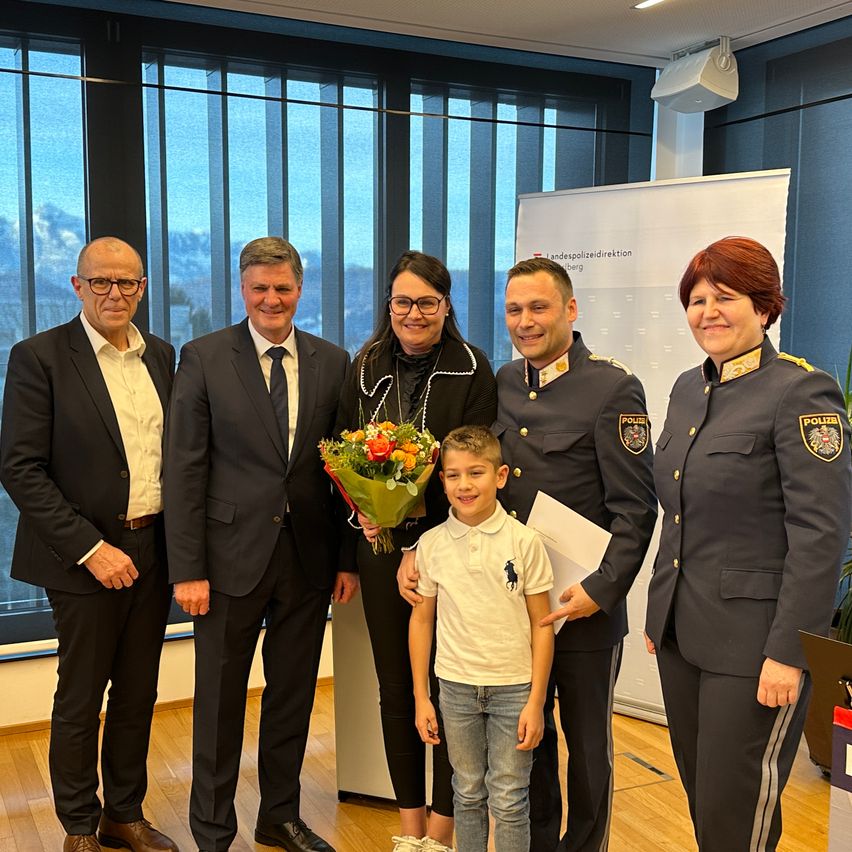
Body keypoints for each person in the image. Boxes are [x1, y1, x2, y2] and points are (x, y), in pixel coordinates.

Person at [398, 257, 658, 849]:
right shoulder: (505, 382)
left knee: (588, 746)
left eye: (538, 307)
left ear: (570, 309)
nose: (525, 321)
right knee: (529, 744)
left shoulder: (613, 388)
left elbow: (636, 511)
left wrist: (600, 590)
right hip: (516, 606)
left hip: (582, 605)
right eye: (514, 309)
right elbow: (478, 480)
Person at [644, 236, 852, 852]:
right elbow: (678, 509)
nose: (707, 310)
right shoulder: (687, 387)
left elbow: (820, 534)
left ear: (764, 309)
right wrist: (663, 608)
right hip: (685, 633)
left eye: (725, 297)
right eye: (696, 298)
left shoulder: (800, 393)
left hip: (757, 646)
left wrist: (789, 652)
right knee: (706, 800)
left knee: (737, 812)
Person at [164, 237, 357, 852]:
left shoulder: (332, 361)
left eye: (283, 287)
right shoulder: (203, 357)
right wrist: (187, 568)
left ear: (300, 289)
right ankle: (213, 830)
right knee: (219, 704)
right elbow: (185, 468)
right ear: (242, 290)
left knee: (293, 698)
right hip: (224, 564)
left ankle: (279, 816)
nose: (272, 299)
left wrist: (347, 561)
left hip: (308, 559)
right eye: (259, 288)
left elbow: (346, 470)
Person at [0, 237, 177, 852]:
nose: (114, 294)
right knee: (82, 693)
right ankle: (78, 825)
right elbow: (20, 467)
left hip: (153, 549)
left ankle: (123, 814)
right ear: (77, 287)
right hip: (84, 560)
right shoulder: (40, 357)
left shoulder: (161, 355)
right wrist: (90, 548)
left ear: (144, 287)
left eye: (127, 283)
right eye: (101, 282)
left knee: (138, 690)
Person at [336, 250, 497, 851]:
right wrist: (364, 515)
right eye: (402, 301)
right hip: (379, 548)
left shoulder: (471, 367)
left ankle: (444, 827)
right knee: (397, 685)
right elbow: (344, 455)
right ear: (389, 305)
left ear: (445, 306)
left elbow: (472, 469)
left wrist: (423, 543)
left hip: (452, 554)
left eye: (426, 302)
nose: (413, 313)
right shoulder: (364, 366)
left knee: (451, 685)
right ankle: (410, 828)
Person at [409, 425, 554, 852]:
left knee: (509, 798)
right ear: (442, 481)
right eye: (453, 475)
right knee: (467, 792)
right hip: (454, 689)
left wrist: (536, 700)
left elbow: (542, 626)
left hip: (515, 689)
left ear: (501, 475)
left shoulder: (525, 542)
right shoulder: (430, 544)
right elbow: (421, 623)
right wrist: (422, 696)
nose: (464, 485)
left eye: (476, 473)